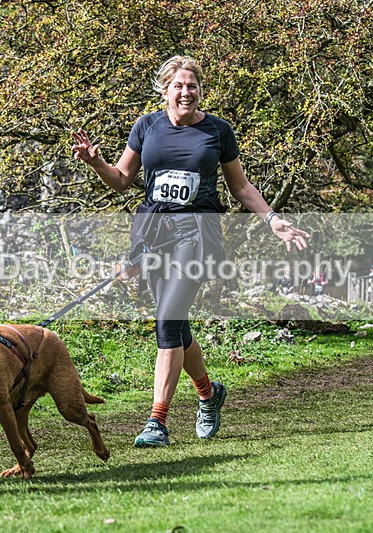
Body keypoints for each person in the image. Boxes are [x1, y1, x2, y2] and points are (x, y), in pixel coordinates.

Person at [72, 55, 309, 447]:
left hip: (197, 231)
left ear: (200, 90)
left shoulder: (218, 131)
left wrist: (272, 220)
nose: (186, 92)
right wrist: (96, 161)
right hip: (152, 230)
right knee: (175, 324)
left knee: (167, 319)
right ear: (165, 89)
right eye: (179, 86)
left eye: (193, 86)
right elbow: (121, 179)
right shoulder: (146, 126)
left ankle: (157, 421)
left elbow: (242, 188)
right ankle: (208, 392)